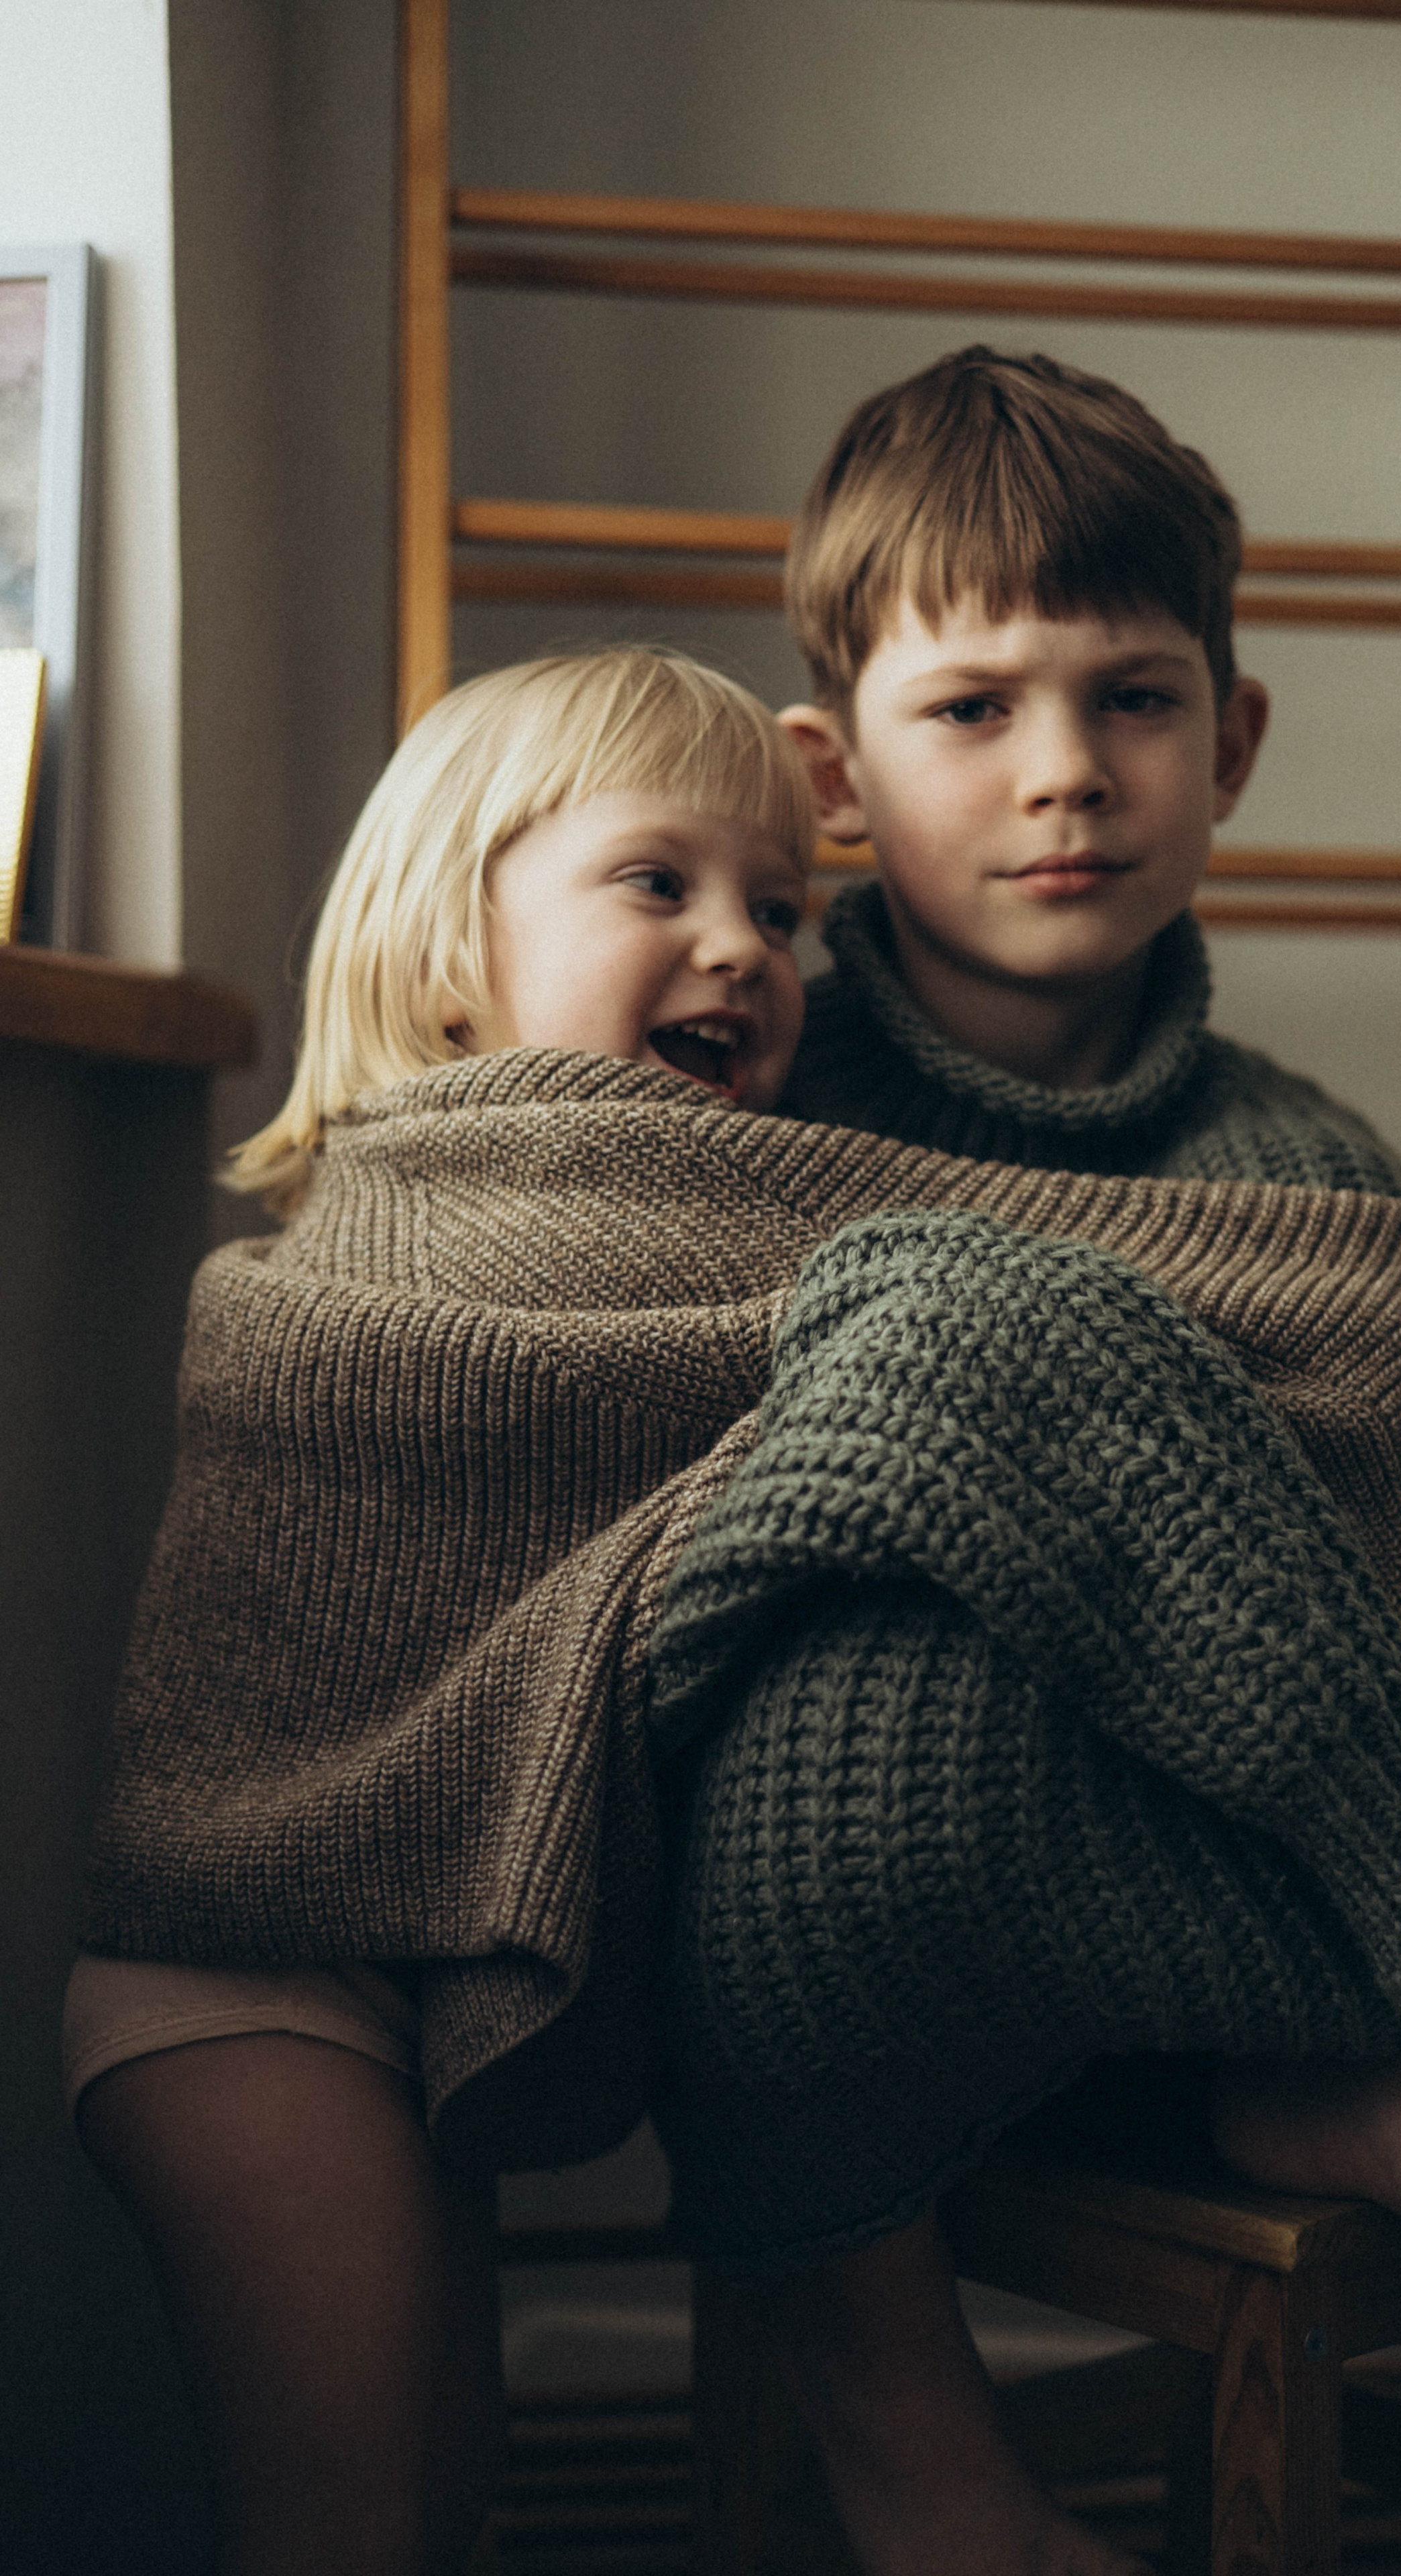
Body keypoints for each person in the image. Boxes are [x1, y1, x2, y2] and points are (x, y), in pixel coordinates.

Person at [677, 346, 1401, 2576]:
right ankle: (930, 2472)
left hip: (1242, 1859)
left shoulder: (1303, 1169)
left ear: (1231, 742)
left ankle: (1341, 2060)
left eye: (1133, 702)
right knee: (821, 1759)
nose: (1066, 778)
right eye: (974, 712)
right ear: (832, 773)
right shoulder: (748, 1079)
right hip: (841, 1892)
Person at [66, 645, 816, 2576]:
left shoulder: (726, 1236)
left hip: (418, 1973)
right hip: (248, 1989)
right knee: (338, 2523)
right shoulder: (370, 1268)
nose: (741, 945)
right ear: (446, 952)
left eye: (782, 907)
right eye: (662, 884)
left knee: (447, 2489)